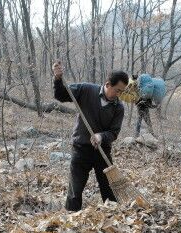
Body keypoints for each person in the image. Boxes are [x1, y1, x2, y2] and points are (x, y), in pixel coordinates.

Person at [52, 61, 129, 211]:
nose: (119, 95)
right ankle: (71, 218)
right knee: (75, 190)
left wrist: (101, 136)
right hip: (81, 148)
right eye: (118, 90)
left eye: (122, 92)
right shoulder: (86, 90)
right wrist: (57, 78)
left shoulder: (118, 107)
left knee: (109, 191)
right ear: (108, 84)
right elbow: (61, 95)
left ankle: (113, 219)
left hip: (102, 151)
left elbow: (114, 132)